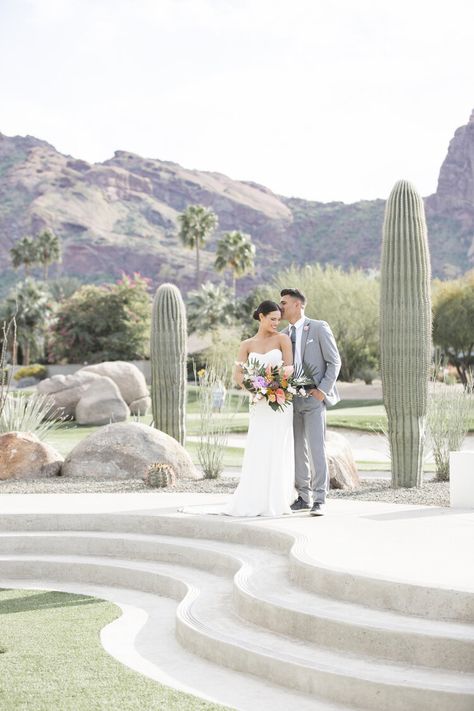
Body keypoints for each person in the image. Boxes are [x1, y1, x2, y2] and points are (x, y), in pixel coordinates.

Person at [225, 300, 295, 516]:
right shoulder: (246, 344)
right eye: (272, 319)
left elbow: (289, 368)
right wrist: (255, 390)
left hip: (280, 402)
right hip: (258, 403)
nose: (276, 323)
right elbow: (238, 374)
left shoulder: (283, 339)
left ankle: (277, 498)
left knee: (276, 446)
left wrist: (274, 386)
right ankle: (254, 498)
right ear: (261, 317)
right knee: (258, 445)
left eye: (278, 319)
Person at [279, 288, 341, 516]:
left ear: (298, 305)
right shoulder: (284, 335)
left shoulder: (318, 327)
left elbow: (335, 362)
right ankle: (303, 497)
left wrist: (322, 391)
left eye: (284, 303)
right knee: (297, 451)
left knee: (316, 449)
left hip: (314, 400)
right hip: (292, 401)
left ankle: (320, 499)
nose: (281, 306)